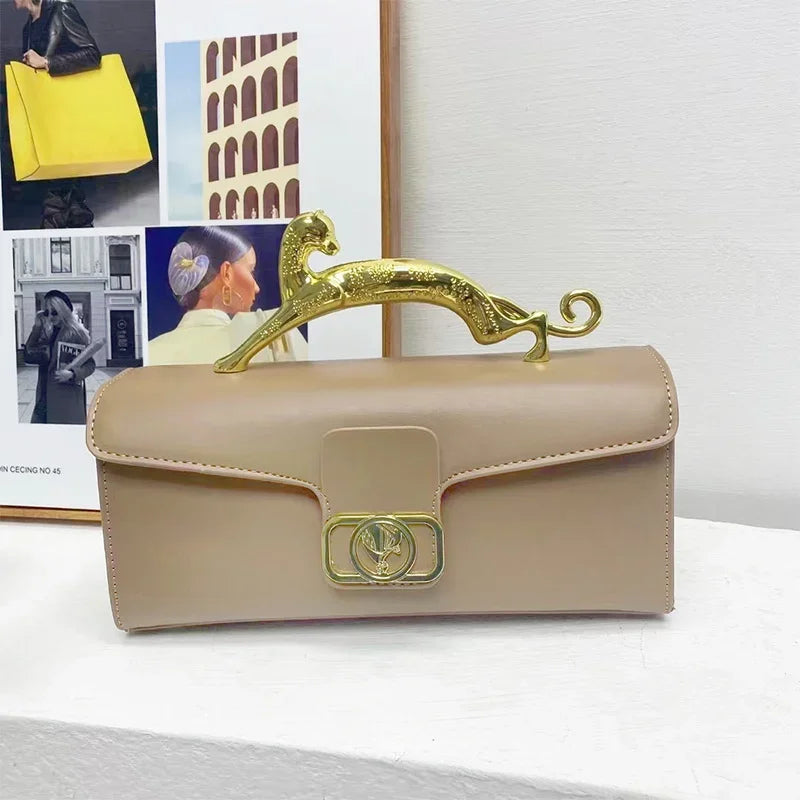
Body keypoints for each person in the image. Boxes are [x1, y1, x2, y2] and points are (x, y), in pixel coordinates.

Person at [148, 226, 307, 366]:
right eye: (251, 271)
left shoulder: (151, 351)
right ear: (226, 274)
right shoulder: (274, 332)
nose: (257, 287)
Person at [23, 289, 96, 425]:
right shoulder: (46, 332)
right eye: (47, 312)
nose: (51, 316)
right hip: (44, 396)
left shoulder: (76, 333)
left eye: (55, 312)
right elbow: (28, 354)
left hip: (65, 398)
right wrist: (37, 327)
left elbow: (90, 365)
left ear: (63, 310)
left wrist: (72, 374)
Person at [14, 0, 101, 76]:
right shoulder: (27, 28)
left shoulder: (62, 9)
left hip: (66, 88)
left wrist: (47, 62)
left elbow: (93, 55)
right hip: (43, 88)